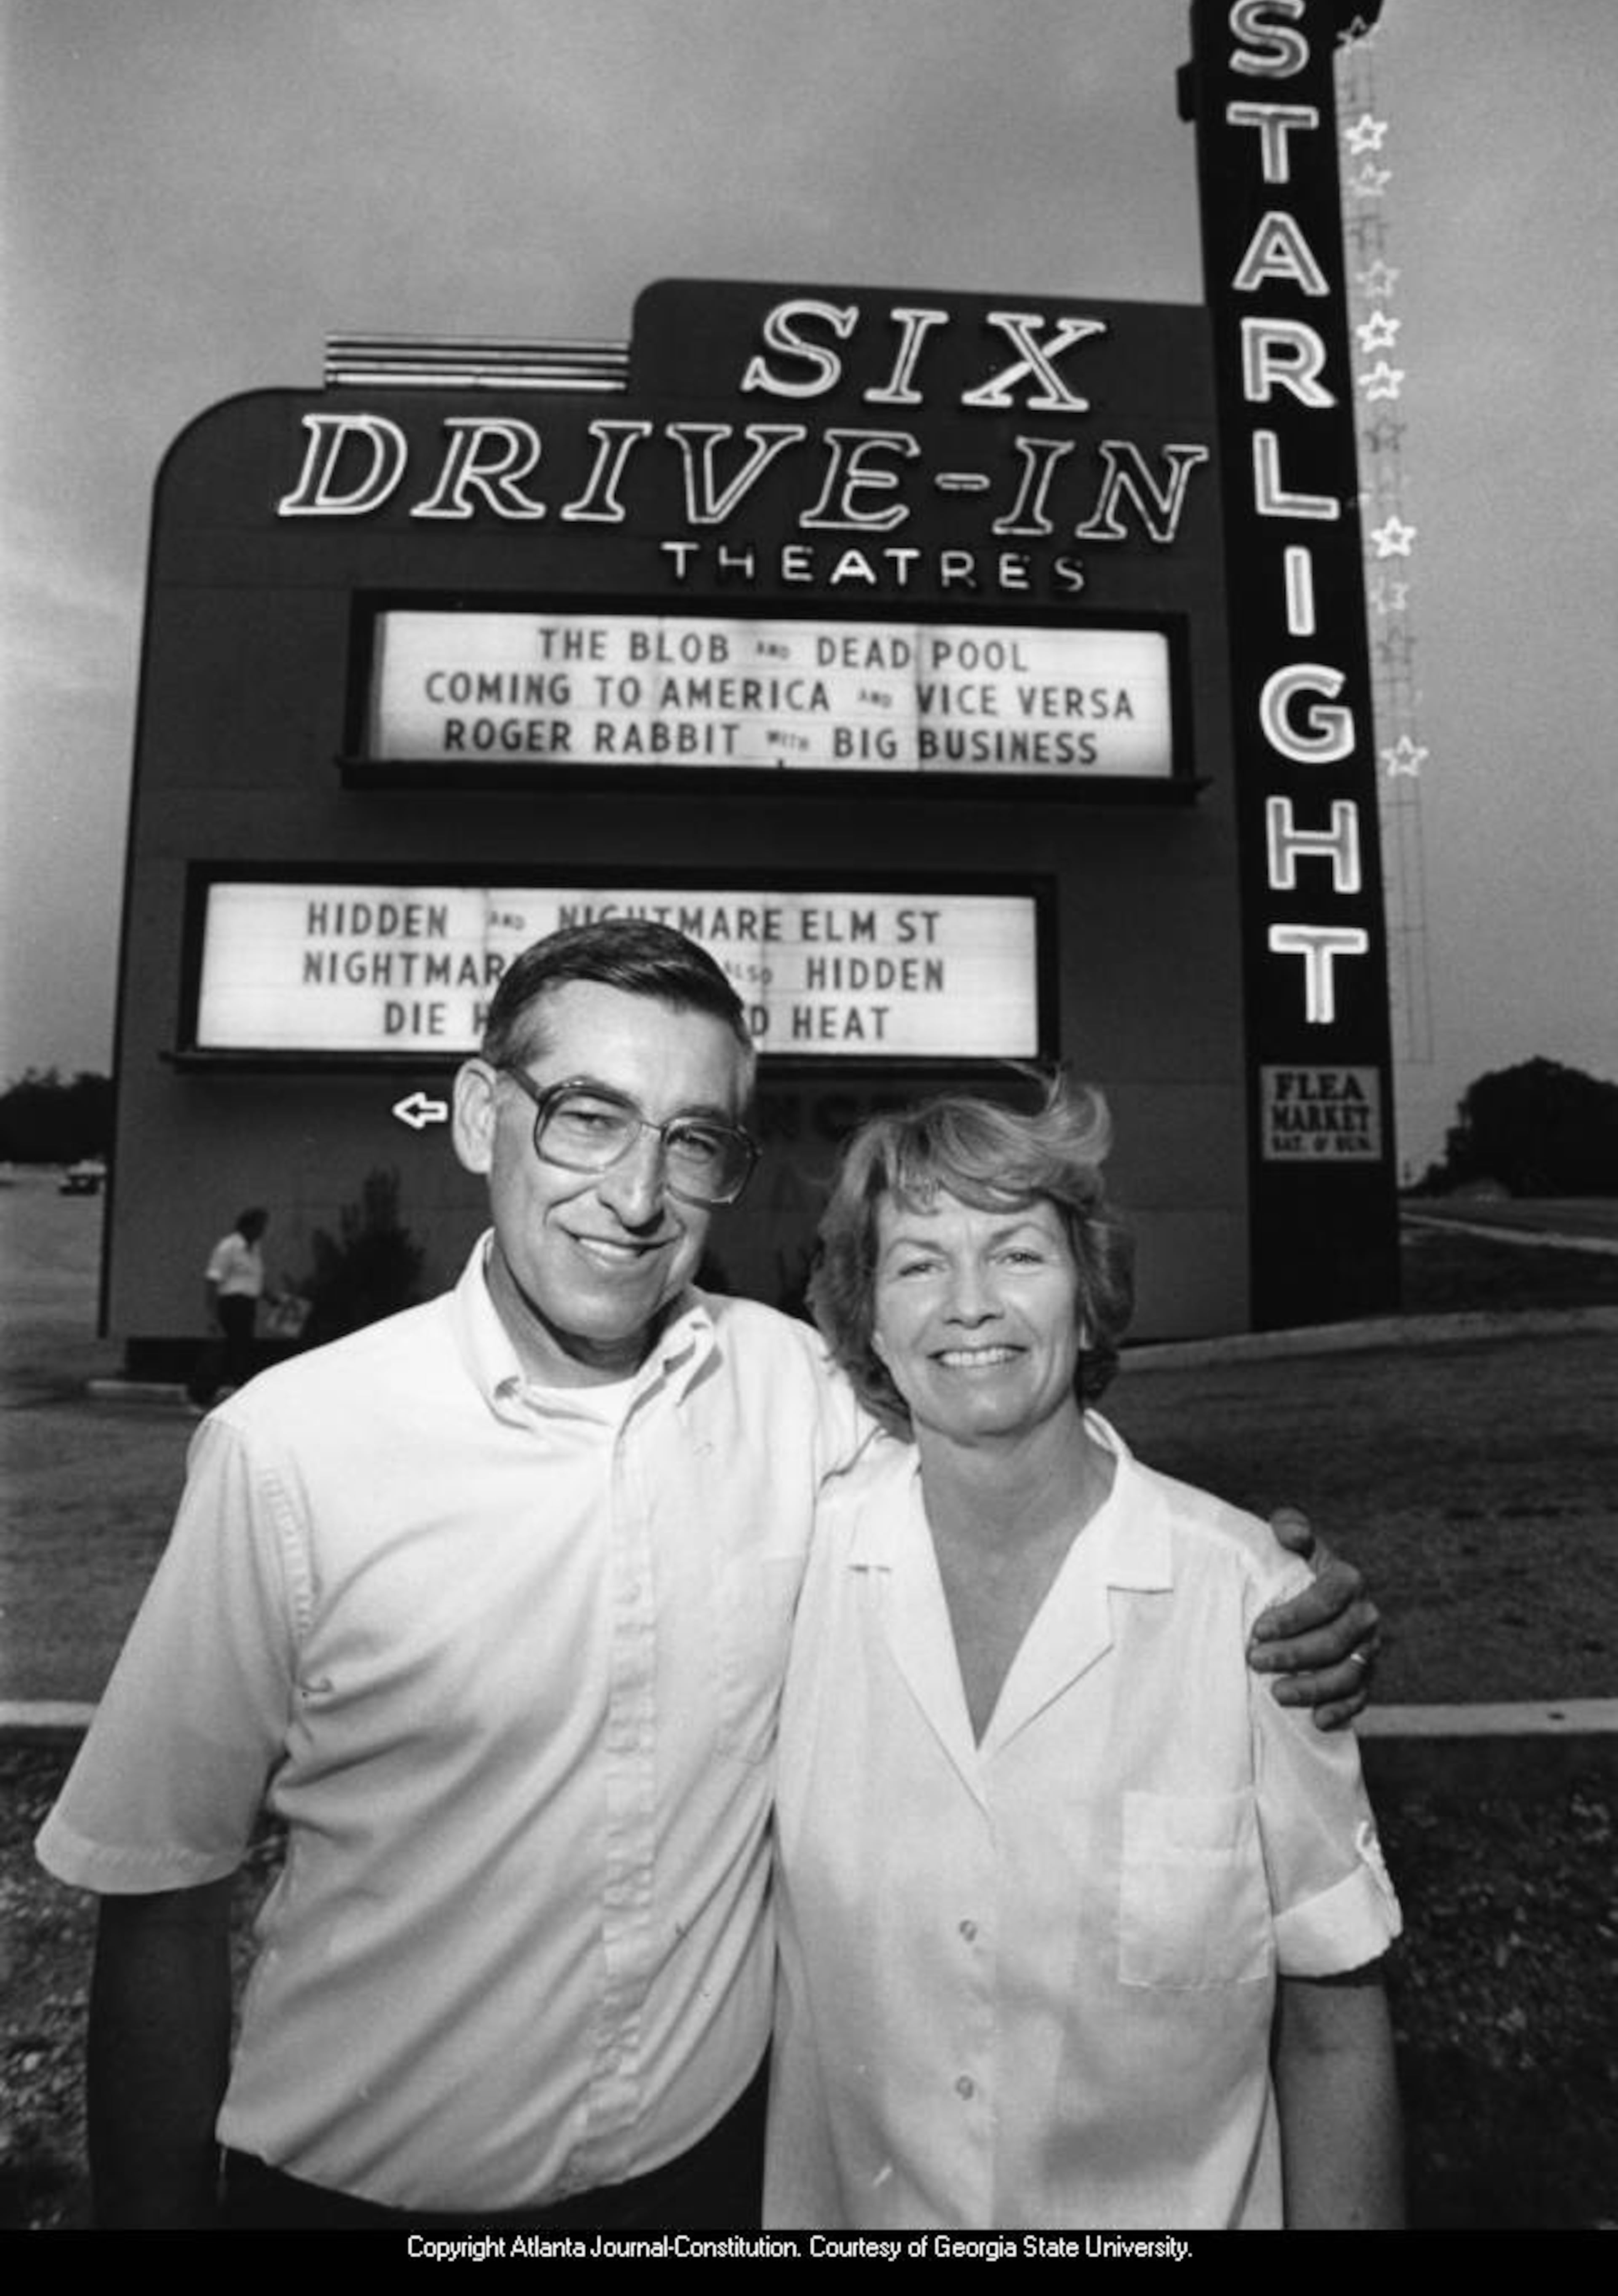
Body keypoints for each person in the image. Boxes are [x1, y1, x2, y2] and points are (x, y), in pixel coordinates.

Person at [37, 923, 1379, 2230]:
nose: (635, 1195)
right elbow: (160, 1885)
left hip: (707, 2187)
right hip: (353, 2198)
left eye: (692, 1140)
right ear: (472, 1115)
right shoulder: (289, 1449)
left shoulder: (790, 1389)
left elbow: (1004, 1427)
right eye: (587, 1116)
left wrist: (1261, 1582)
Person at [764, 1080, 1404, 2230]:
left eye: (1016, 1252)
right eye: (917, 1263)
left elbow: (1336, 2023)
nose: (969, 1304)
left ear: (1091, 1296)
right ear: (866, 1319)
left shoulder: (1251, 1598)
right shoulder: (797, 1575)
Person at [187, 1207, 269, 1409]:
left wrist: (270, 1297)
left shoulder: (255, 1249)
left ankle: (236, 1394)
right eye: (260, 1226)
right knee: (220, 1351)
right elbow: (213, 1281)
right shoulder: (229, 1248)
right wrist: (213, 1316)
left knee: (241, 1351)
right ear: (248, 1226)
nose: (263, 1231)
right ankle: (198, 1394)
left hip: (247, 1306)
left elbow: (252, 1279)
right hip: (231, 1305)